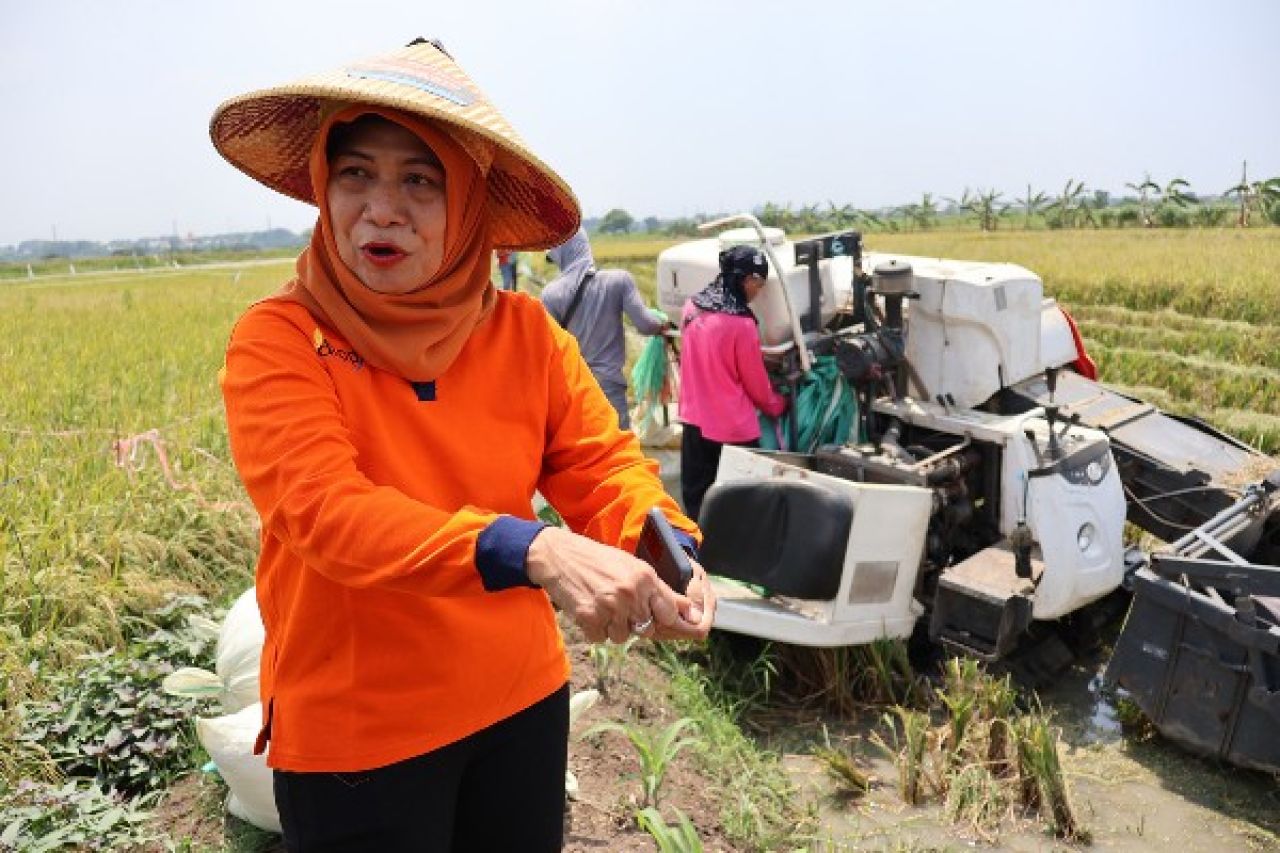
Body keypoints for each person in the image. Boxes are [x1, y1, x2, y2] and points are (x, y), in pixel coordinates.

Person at [210, 38, 715, 851]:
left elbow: (600, 462)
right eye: (356, 173)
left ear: (468, 203)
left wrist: (664, 543)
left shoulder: (522, 332)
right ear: (321, 185)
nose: (381, 208)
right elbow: (325, 511)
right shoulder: (280, 340)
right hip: (356, 736)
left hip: (519, 704)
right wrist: (535, 549)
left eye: (419, 178)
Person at [678, 245, 788, 521]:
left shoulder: (691, 307)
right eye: (758, 283)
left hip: (693, 421)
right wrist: (777, 404)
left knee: (696, 502)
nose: (758, 291)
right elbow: (756, 385)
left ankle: (697, 556)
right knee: (738, 508)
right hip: (732, 431)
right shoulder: (741, 324)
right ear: (745, 279)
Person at [541, 228, 668, 429]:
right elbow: (645, 325)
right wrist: (662, 324)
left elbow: (548, 349)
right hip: (610, 388)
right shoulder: (618, 281)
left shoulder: (551, 294)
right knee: (618, 454)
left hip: (573, 390)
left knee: (578, 453)